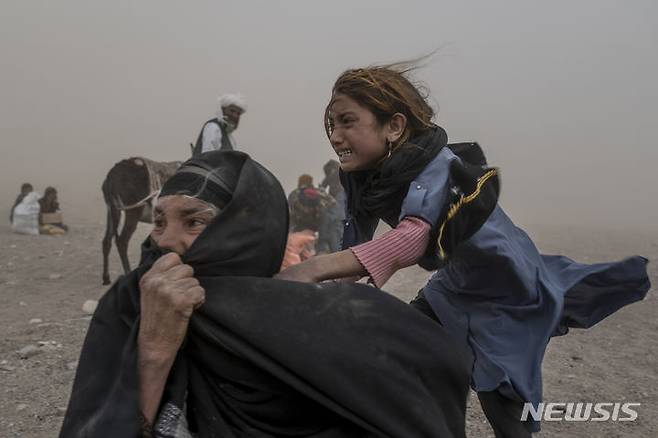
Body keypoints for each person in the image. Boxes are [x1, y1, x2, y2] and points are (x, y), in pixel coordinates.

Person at [276, 63, 651, 436]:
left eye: (347, 121)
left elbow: (410, 240)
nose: (335, 137)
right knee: (400, 346)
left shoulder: (438, 166)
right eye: (331, 125)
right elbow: (354, 246)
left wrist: (312, 268)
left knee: (502, 403)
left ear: (394, 126)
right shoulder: (362, 176)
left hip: (507, 290)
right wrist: (321, 299)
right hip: (454, 287)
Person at [60, 150, 472, 438]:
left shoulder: (319, 320)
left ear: (246, 230)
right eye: (158, 222)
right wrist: (153, 353)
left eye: (194, 222)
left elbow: (429, 367)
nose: (166, 242)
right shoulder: (130, 308)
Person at [318, 159, 345, 253]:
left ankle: (336, 250)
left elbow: (322, 187)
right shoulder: (340, 170)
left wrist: (323, 194)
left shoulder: (334, 172)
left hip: (339, 197)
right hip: (340, 198)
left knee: (336, 222)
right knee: (338, 223)